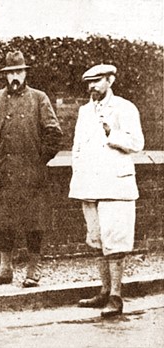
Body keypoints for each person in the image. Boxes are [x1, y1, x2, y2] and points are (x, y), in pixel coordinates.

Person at [0, 51, 63, 287]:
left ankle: (33, 269)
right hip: (1, 174)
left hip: (31, 175)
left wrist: (37, 159)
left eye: (18, 72)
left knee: (35, 223)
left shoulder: (39, 98)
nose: (15, 76)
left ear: (25, 73)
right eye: (10, 73)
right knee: (1, 222)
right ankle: (5, 269)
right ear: (5, 75)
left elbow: (53, 133)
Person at [70, 64, 144, 317]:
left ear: (110, 80)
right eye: (89, 82)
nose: (92, 87)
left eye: (97, 81)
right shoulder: (84, 111)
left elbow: (137, 143)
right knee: (97, 240)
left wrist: (113, 133)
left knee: (115, 242)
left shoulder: (125, 107)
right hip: (90, 186)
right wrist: (78, 182)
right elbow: (77, 147)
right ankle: (103, 291)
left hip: (116, 185)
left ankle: (116, 296)